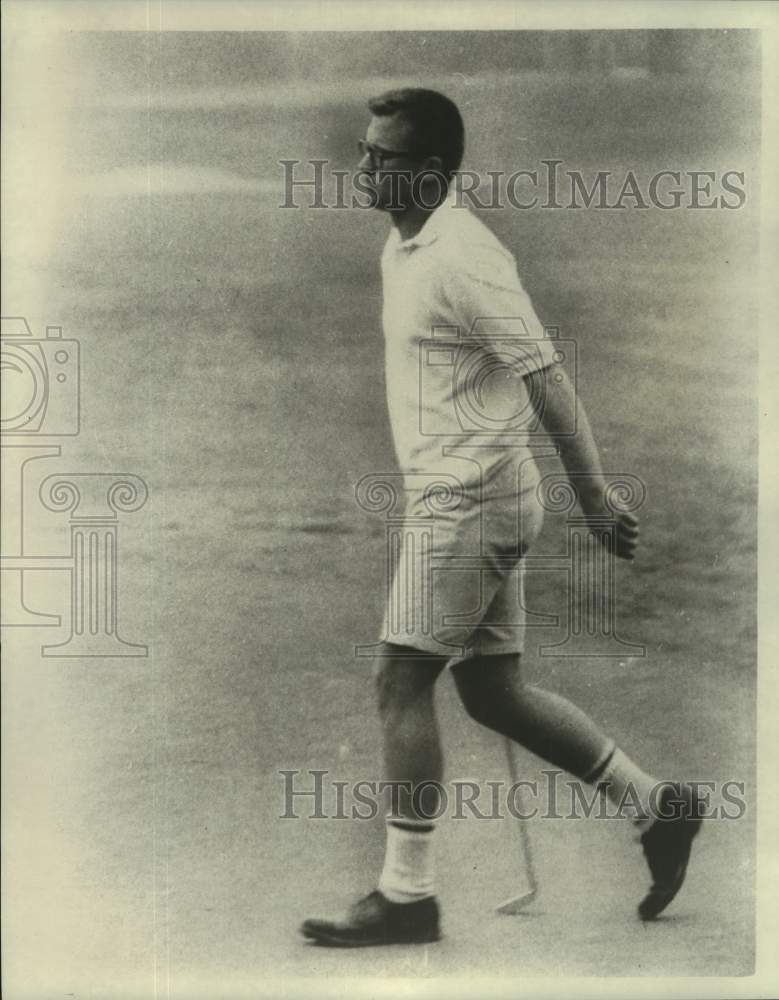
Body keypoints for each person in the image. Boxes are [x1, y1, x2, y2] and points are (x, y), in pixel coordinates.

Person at [301, 88, 702, 947]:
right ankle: (655, 805)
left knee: (399, 683)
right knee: (492, 691)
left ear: (434, 172)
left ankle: (406, 896)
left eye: (385, 158)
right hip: (472, 496)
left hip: (469, 503)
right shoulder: (400, 245)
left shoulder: (466, 259)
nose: (365, 168)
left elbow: (546, 378)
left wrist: (594, 499)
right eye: (366, 152)